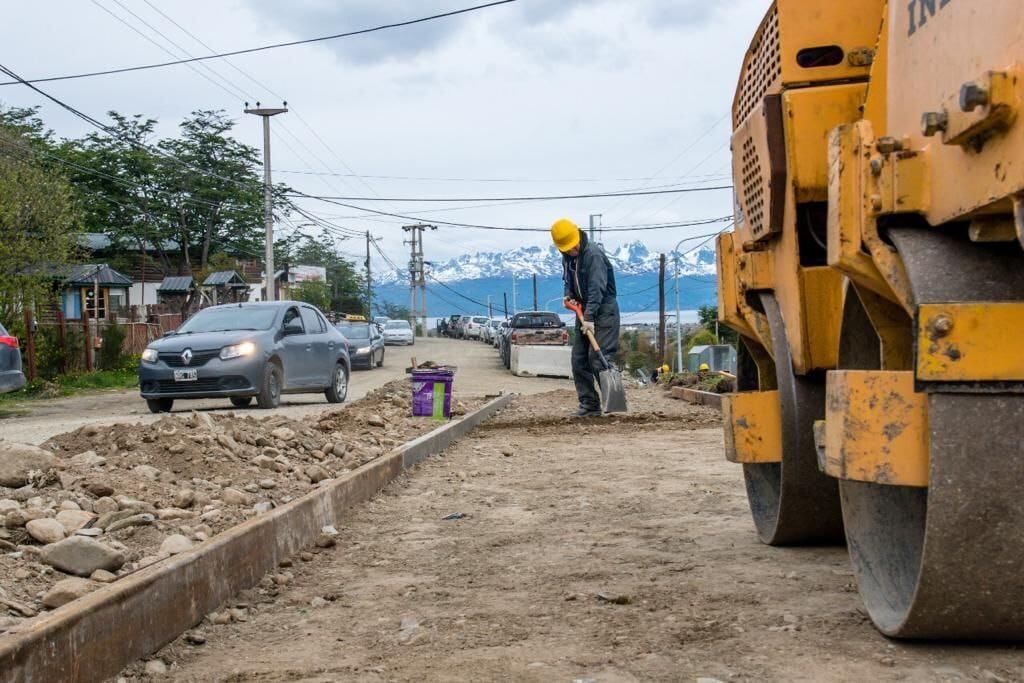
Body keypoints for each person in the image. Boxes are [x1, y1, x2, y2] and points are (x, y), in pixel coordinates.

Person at [552, 217, 620, 417]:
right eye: (567, 249)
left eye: (573, 247)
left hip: (604, 312)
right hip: (583, 311)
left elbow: (596, 288)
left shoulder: (593, 254)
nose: (571, 251)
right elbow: (568, 280)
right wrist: (569, 295)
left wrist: (589, 316)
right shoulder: (567, 256)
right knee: (579, 359)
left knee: (598, 358)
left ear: (577, 238)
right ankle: (589, 405)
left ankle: (614, 404)